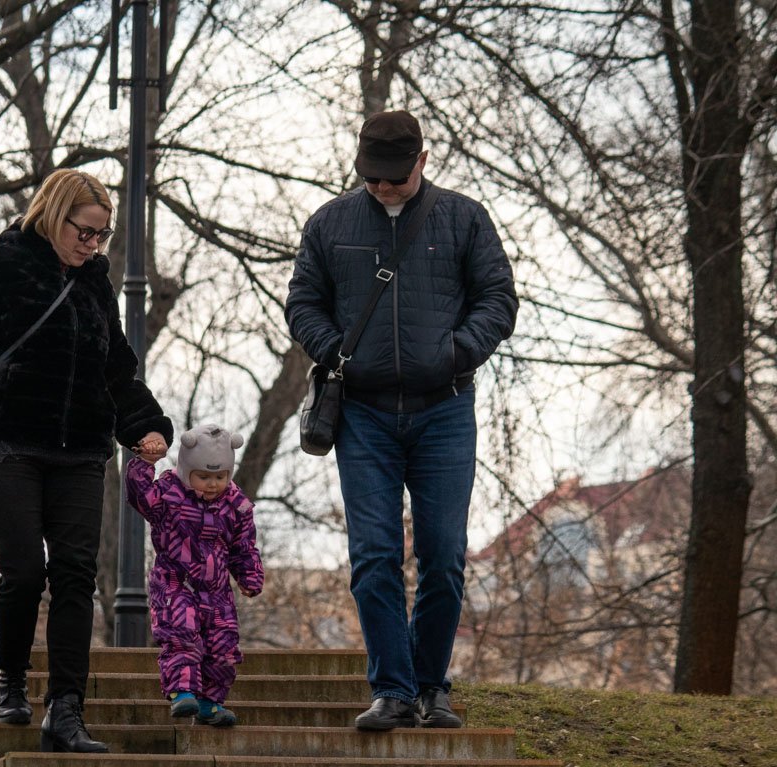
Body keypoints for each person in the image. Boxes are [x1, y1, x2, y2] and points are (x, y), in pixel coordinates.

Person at [0, 168, 173, 753]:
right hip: (6, 445)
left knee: (75, 577)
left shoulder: (94, 287)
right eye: (85, 232)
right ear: (52, 214)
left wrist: (144, 427)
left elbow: (115, 368)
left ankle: (66, 710)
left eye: (102, 236)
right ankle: (11, 678)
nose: (93, 245)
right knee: (24, 570)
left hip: (81, 452)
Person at [285, 110, 518, 731]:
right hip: (362, 414)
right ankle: (392, 689)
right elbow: (302, 301)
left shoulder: (464, 218)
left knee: (443, 555)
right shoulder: (330, 223)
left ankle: (431, 686)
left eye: (395, 177)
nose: (384, 188)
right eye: (374, 178)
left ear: (422, 161)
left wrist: (458, 351)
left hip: (444, 409)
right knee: (375, 554)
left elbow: (499, 298)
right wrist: (334, 350)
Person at [124, 424, 264, 728]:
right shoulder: (169, 494)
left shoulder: (236, 505)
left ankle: (209, 704)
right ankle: (182, 691)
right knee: (181, 632)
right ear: (186, 471)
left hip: (216, 591)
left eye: (219, 477)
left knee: (224, 646)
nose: (212, 484)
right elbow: (140, 495)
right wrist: (144, 464)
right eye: (203, 477)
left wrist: (249, 576)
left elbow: (243, 546)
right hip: (175, 582)